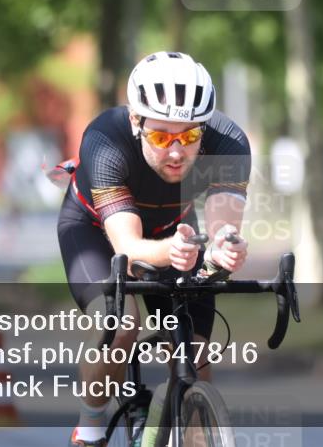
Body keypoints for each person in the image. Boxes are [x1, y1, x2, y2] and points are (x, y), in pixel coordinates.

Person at [57, 51, 251, 447]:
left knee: (194, 357)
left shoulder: (228, 142)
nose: (177, 151)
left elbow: (221, 228)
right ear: (136, 122)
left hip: (172, 231)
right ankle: (91, 425)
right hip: (95, 231)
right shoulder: (105, 140)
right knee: (122, 324)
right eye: (162, 137)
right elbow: (126, 247)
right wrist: (174, 253)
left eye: (190, 136)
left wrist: (222, 249)